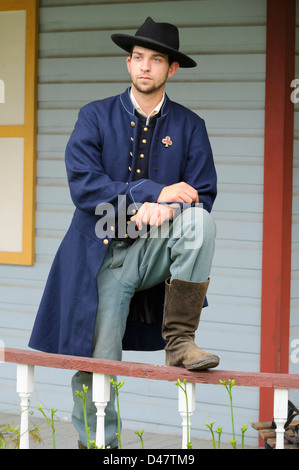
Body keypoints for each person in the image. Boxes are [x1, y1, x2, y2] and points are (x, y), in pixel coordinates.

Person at [29, 17, 219, 448]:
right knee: (98, 361)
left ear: (171, 69)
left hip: (152, 253)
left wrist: (167, 208)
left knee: (199, 221)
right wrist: (149, 193)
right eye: (137, 58)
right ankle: (99, 445)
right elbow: (85, 186)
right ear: (128, 64)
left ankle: (181, 341)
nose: (145, 67)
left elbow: (202, 193)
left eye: (155, 60)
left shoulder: (190, 126)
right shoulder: (94, 116)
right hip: (101, 255)